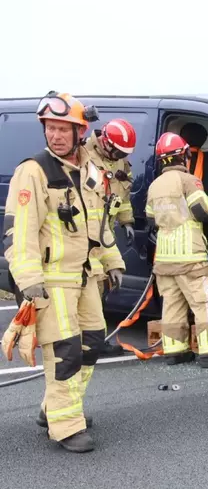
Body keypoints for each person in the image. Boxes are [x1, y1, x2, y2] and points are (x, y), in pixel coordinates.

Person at [2, 91, 125, 452]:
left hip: (85, 277)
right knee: (66, 352)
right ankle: (66, 426)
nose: (55, 135)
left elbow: (99, 226)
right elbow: (19, 233)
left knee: (91, 345)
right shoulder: (34, 172)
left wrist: (113, 261)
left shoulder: (90, 171)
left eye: (62, 129)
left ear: (79, 131)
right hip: (52, 282)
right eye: (50, 128)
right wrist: (29, 282)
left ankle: (53, 409)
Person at [146, 132, 208, 368]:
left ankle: (175, 352)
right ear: (184, 155)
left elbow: (150, 218)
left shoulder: (155, 185)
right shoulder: (188, 181)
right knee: (204, 303)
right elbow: (203, 211)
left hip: (165, 260)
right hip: (190, 257)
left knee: (173, 306)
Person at [82, 118, 138, 357]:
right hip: (86, 231)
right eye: (116, 151)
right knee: (88, 286)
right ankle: (86, 341)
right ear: (105, 141)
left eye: (123, 153)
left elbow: (123, 196)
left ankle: (95, 339)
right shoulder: (83, 155)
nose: (119, 156)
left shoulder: (121, 163)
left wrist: (126, 221)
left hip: (107, 230)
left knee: (102, 285)